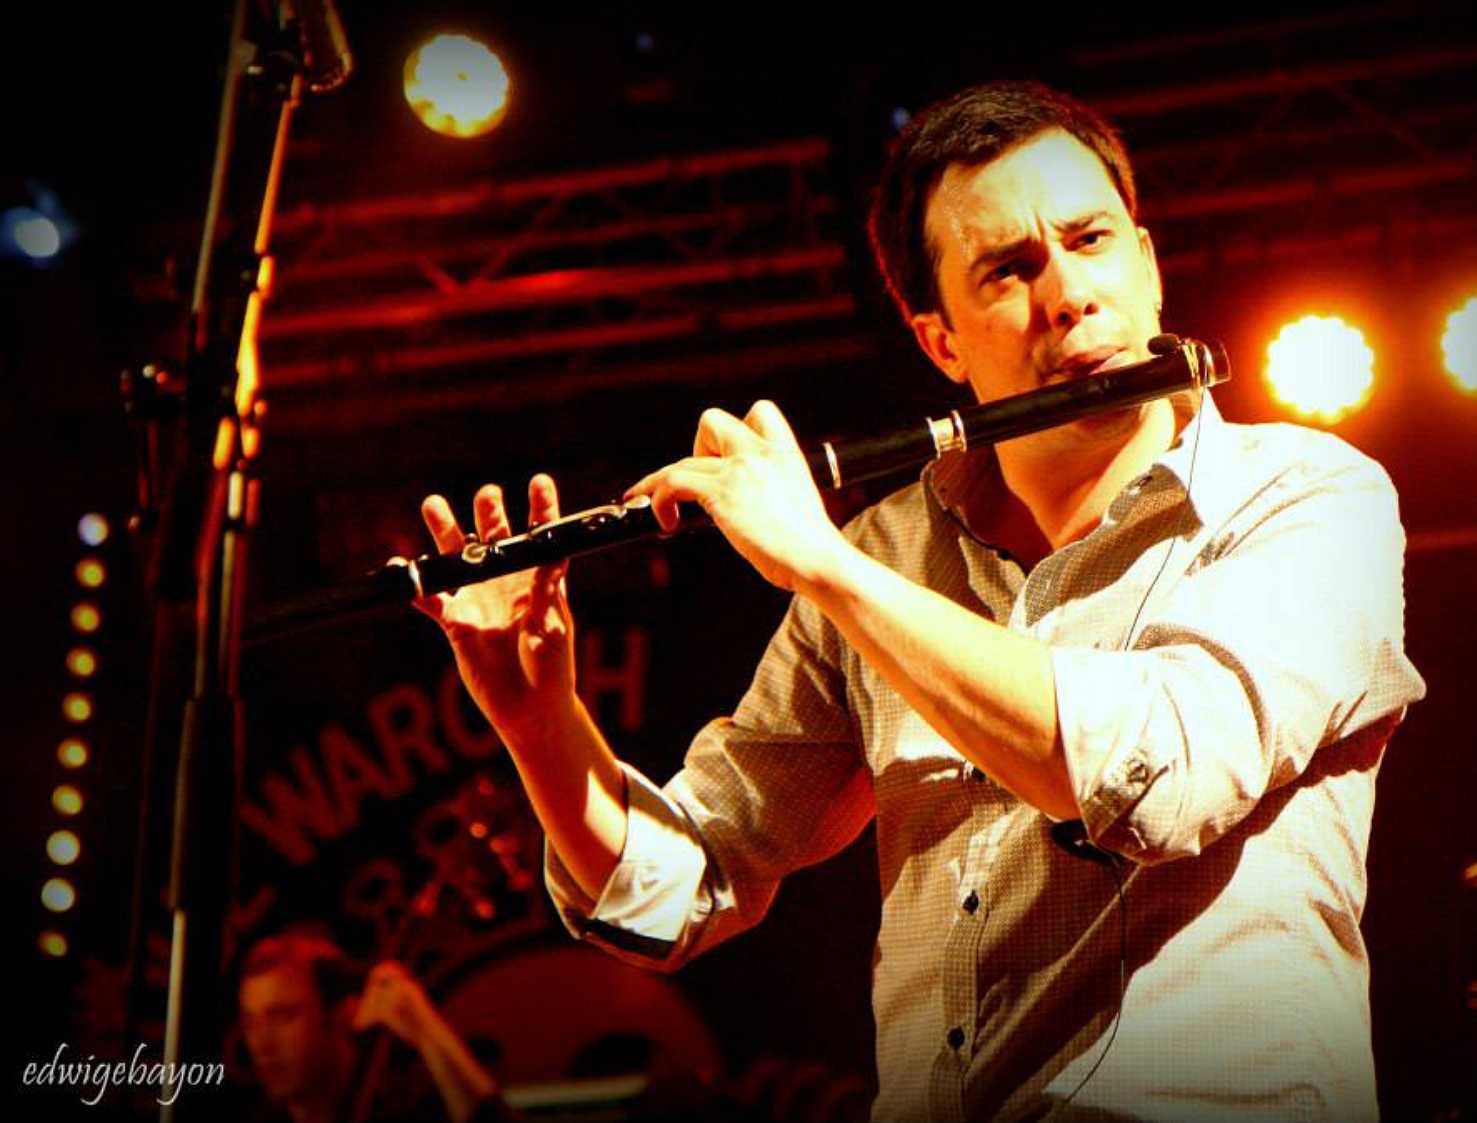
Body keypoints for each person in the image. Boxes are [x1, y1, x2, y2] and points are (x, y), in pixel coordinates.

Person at [415, 81, 1426, 1121]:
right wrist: (539, 722)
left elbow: (1158, 779)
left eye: (1090, 241)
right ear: (939, 340)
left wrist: (827, 568)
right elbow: (682, 887)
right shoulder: (886, 552)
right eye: (1009, 269)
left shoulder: (1307, 496)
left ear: (1148, 262)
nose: (1069, 294)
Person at [236, 931, 512, 1123]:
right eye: (251, 1022)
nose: (262, 1045)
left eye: (283, 1016)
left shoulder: (412, 1108)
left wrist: (428, 1031)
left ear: (342, 1015)